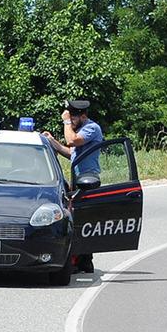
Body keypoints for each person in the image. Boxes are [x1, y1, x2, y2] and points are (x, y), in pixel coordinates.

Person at [42, 99, 104, 273]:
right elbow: (72, 153)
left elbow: (71, 141)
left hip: (89, 181)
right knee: (76, 220)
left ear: (82, 116)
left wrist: (66, 121)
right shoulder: (82, 130)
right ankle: (80, 259)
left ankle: (85, 260)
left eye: (73, 118)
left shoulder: (92, 128)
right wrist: (52, 141)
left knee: (84, 221)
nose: (71, 121)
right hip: (78, 180)